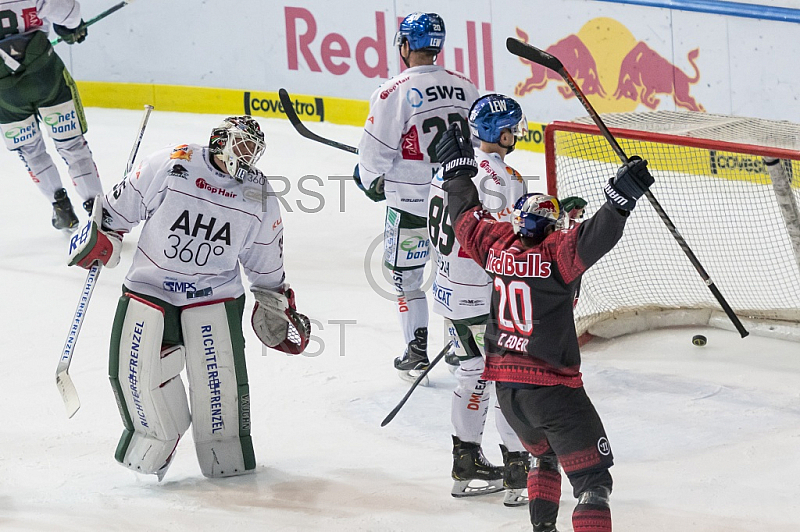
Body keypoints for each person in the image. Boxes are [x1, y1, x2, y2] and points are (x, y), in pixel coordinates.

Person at [435, 122, 655, 532]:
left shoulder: (497, 247)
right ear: (551, 231)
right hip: (553, 391)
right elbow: (594, 237)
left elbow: (465, 219)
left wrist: (459, 172)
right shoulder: (556, 255)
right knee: (592, 483)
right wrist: (619, 201)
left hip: (509, 392)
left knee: (543, 457)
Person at [67, 116, 311, 481]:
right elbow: (121, 207)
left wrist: (273, 295)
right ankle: (156, 438)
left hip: (214, 296)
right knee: (134, 374)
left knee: (219, 384)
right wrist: (104, 233)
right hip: (151, 287)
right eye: (241, 145)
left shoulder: (259, 194)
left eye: (253, 150)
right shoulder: (172, 162)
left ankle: (225, 451)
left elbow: (265, 254)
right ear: (220, 140)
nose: (246, 156)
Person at [356, 12, 480, 382]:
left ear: (406, 46)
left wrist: (369, 180)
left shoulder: (391, 92)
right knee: (455, 273)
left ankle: (417, 353)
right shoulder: (464, 85)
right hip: (458, 201)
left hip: (410, 206)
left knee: (407, 280)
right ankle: (463, 349)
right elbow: (477, 142)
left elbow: (373, 158)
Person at [428, 94, 530, 504]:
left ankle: (465, 465)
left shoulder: (450, 168)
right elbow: (508, 244)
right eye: (514, 127)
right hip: (486, 296)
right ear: (502, 133)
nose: (517, 134)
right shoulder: (506, 178)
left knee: (472, 373)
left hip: (449, 291)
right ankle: (519, 468)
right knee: (507, 378)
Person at [0, 0, 103, 231]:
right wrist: (71, 28)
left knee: (29, 149)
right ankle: (99, 213)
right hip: (45, 74)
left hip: (5, 92)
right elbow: (68, 12)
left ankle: (61, 208)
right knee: (72, 144)